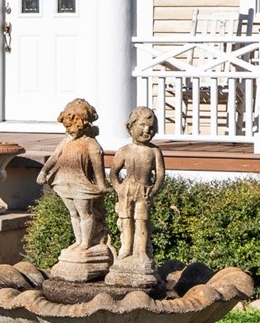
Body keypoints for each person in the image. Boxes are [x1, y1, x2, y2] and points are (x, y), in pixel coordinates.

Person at [38, 97, 111, 280]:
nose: (68, 131)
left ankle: (86, 242)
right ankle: (78, 241)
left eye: (71, 127)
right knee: (73, 213)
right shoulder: (67, 140)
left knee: (85, 213)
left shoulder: (91, 144)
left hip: (81, 184)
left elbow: (97, 166)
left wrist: (101, 184)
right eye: (66, 127)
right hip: (64, 181)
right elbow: (55, 156)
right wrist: (44, 171)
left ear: (82, 124)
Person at [106, 106, 167, 288]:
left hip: (144, 190)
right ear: (130, 127)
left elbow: (160, 174)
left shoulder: (154, 152)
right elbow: (114, 173)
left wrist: (154, 190)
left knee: (141, 220)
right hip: (127, 190)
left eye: (151, 127)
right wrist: (118, 188)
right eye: (142, 126)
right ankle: (126, 248)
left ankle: (140, 251)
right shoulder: (124, 150)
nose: (147, 130)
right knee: (126, 220)